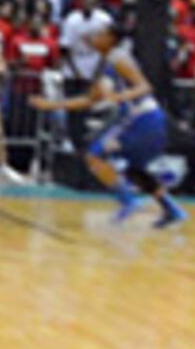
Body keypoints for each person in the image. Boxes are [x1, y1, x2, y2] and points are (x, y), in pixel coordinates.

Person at [76, 27, 185, 229]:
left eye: (99, 36)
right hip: (153, 117)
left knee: (94, 155)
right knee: (135, 170)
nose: (95, 39)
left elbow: (109, 88)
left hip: (140, 118)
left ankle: (128, 201)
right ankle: (172, 210)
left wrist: (107, 97)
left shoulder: (115, 60)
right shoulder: (120, 58)